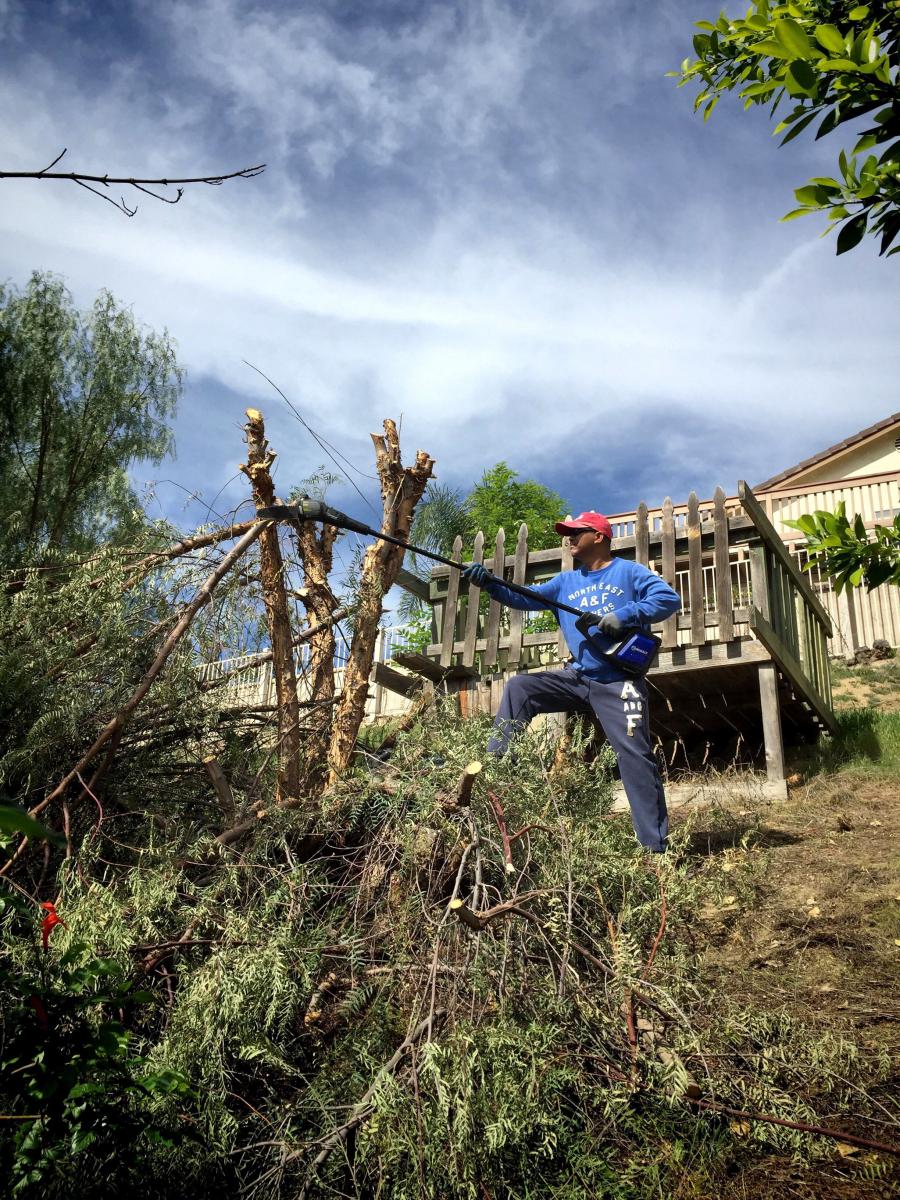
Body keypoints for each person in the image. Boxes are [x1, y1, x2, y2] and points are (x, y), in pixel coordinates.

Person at [462, 511, 681, 854]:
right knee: (521, 687)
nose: (568, 538)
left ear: (599, 536)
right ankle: (492, 771)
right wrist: (489, 583)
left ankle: (655, 848)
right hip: (577, 677)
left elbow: (668, 599)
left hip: (618, 682)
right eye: (567, 534)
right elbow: (525, 597)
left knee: (635, 757)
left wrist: (624, 616)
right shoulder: (565, 582)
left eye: (576, 533)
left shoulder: (628, 572)